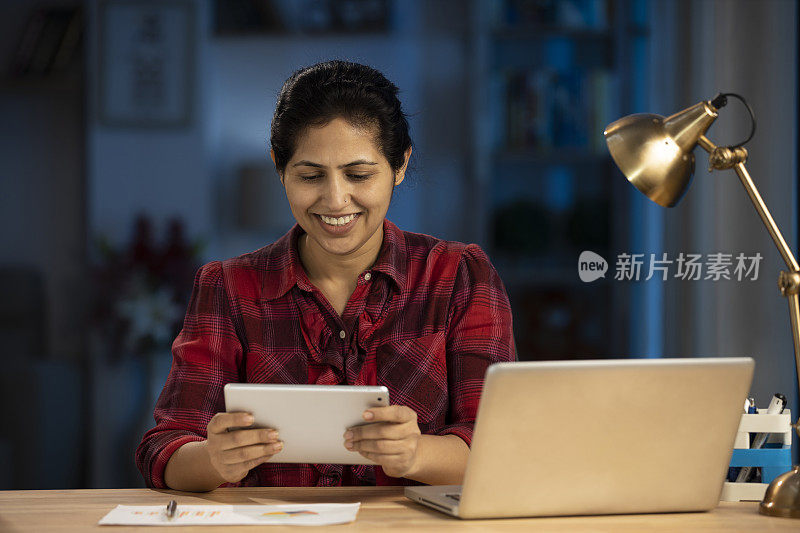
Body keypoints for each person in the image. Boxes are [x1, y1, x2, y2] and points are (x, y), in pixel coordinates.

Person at [135, 60, 515, 491]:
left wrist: (417, 453)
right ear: (280, 167)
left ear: (400, 165)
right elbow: (163, 449)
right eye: (311, 175)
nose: (335, 200)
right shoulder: (228, 286)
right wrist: (212, 459)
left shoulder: (459, 276)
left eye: (359, 174)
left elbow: (498, 449)